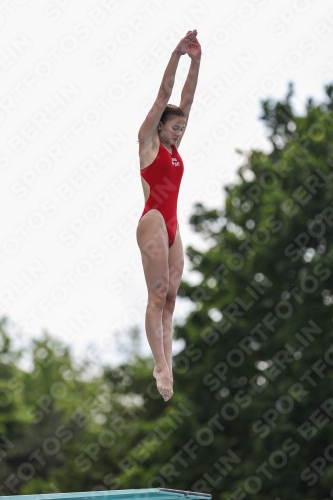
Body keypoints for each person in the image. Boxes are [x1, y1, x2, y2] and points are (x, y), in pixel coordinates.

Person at [136, 30, 201, 402]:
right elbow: (166, 97)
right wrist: (177, 55)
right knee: (157, 294)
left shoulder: (176, 148)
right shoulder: (148, 143)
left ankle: (169, 363)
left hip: (173, 225)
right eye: (174, 127)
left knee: (172, 298)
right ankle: (159, 364)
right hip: (153, 220)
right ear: (160, 125)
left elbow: (186, 101)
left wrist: (197, 60)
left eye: (182, 129)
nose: (179, 132)